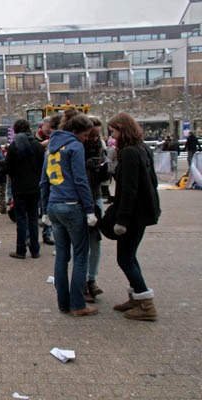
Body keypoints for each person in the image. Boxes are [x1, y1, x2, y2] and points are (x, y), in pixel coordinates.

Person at [40, 109, 98, 316]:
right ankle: (78, 305)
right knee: (81, 257)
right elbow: (80, 179)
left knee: (61, 257)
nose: (86, 139)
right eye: (85, 135)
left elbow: (44, 181)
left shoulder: (51, 148)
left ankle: (63, 303)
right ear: (75, 131)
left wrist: (44, 209)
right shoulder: (75, 146)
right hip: (73, 205)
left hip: (54, 206)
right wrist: (90, 209)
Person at [108, 112, 161, 321]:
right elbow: (152, 181)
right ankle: (137, 297)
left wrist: (122, 219)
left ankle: (146, 303)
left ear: (122, 130)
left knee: (125, 258)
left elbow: (129, 189)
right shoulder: (142, 148)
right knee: (129, 256)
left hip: (132, 214)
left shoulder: (130, 152)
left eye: (113, 131)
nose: (112, 135)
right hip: (144, 211)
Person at [5, 119, 45, 259]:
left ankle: (20, 250)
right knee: (33, 219)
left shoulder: (14, 146)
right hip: (35, 188)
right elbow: (42, 167)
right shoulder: (38, 146)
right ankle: (35, 250)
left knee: (21, 219)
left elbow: (8, 167)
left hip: (19, 188)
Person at [83, 117, 110, 302]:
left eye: (97, 135)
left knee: (95, 242)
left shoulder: (100, 145)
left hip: (96, 196)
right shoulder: (76, 147)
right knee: (81, 244)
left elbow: (104, 173)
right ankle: (83, 281)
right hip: (81, 199)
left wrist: (103, 170)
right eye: (92, 135)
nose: (94, 139)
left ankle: (92, 279)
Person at [34, 116, 54, 245]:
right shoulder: (36, 139)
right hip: (38, 177)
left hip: (49, 177)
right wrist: (41, 146)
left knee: (46, 206)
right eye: (47, 126)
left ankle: (47, 233)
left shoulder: (55, 139)